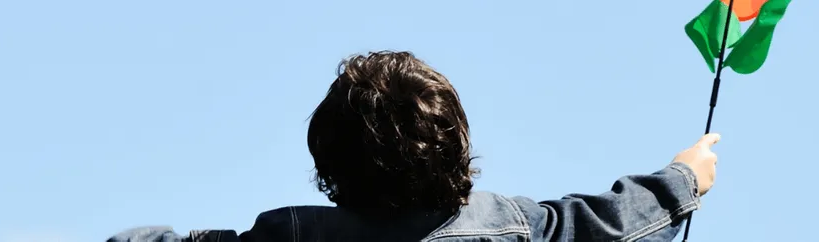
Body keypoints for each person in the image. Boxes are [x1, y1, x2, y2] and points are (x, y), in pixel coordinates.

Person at [108, 51, 721, 242]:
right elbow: (603, 227)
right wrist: (683, 179)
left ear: (328, 161)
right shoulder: (506, 230)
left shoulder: (290, 236)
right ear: (457, 148)